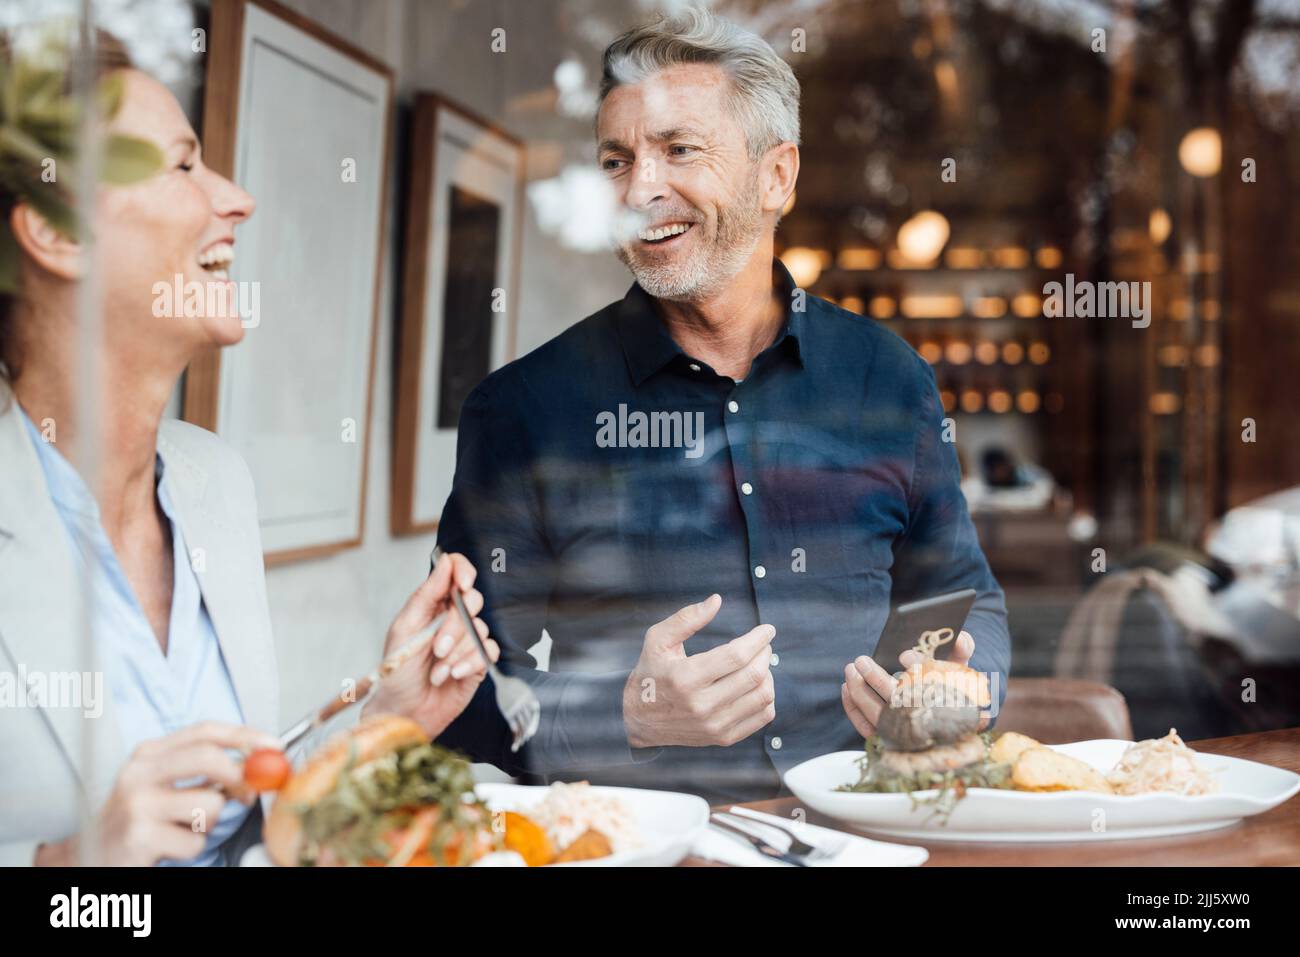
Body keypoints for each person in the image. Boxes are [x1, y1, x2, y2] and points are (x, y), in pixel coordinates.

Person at [434, 9, 1010, 802]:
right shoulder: (521, 412)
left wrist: (961, 682)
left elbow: (967, 596)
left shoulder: (890, 379)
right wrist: (627, 714)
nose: (640, 189)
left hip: (870, 834)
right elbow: (459, 696)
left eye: (678, 150)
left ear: (777, 175)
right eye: (615, 159)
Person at [0, 31, 497, 866]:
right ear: (55, 233)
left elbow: (248, 822)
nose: (236, 198)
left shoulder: (213, 483)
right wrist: (62, 867)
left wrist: (390, 721)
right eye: (182, 166)